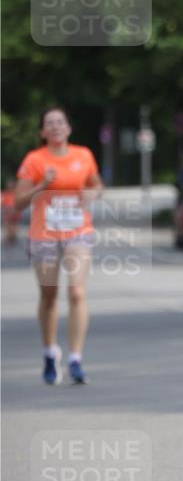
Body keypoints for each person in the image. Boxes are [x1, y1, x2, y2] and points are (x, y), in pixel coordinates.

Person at [15, 106, 103, 385]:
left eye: (60, 122)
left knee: (76, 293)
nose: (55, 127)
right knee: (49, 295)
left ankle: (75, 359)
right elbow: (18, 202)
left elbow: (97, 185)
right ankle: (50, 352)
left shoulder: (83, 155)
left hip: (77, 231)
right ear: (42, 131)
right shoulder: (34, 160)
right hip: (44, 234)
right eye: (50, 123)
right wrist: (42, 184)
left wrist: (92, 194)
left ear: (69, 128)